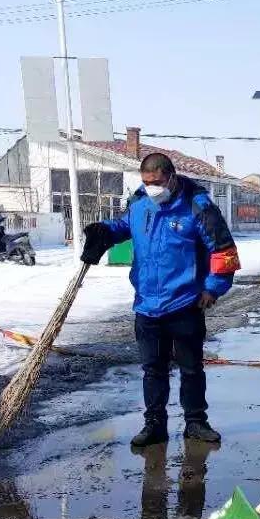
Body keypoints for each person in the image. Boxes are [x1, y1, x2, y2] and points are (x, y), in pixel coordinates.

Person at [81, 152, 240, 448]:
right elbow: (124, 226)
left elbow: (224, 250)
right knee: (153, 370)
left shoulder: (198, 206)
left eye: (156, 182)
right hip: (147, 305)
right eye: (146, 182)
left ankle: (196, 422)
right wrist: (103, 232)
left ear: (171, 177)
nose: (151, 188)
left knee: (191, 368)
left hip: (185, 304)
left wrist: (213, 288)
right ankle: (154, 424)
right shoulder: (140, 203)